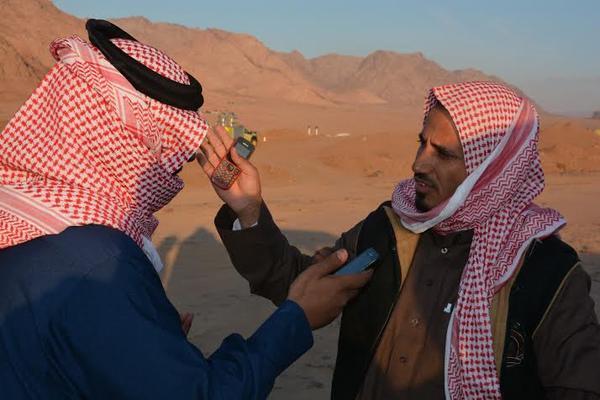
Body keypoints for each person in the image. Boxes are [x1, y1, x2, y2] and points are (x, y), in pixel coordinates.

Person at [0, 20, 371, 399]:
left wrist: (151, 347)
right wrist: (295, 321)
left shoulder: (23, 219)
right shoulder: (98, 263)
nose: (172, 170)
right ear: (123, 144)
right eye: (165, 152)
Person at [201, 81, 600, 399]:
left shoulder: (547, 271)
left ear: (492, 168)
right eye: (421, 142)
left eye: (443, 154)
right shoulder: (388, 228)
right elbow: (300, 285)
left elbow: (579, 386)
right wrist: (248, 210)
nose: (418, 163)